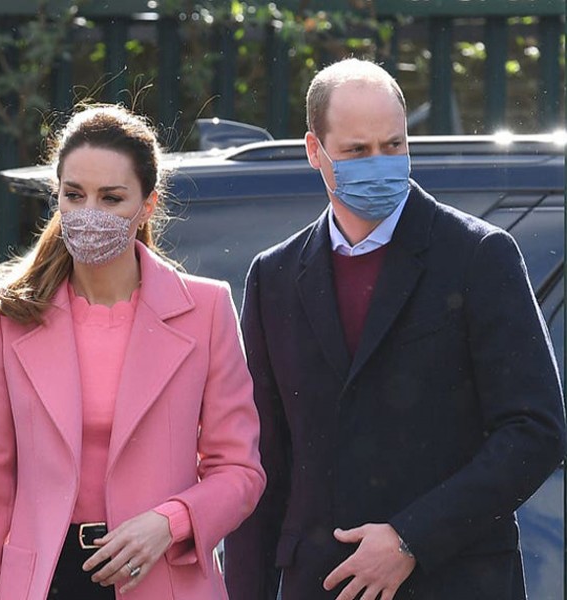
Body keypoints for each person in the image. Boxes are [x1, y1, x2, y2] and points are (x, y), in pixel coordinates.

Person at [224, 58, 567, 600]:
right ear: (316, 151)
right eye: (358, 151)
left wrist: (412, 538)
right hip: (319, 584)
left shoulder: (478, 256)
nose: (379, 164)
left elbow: (535, 432)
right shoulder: (275, 276)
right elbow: (261, 457)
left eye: (394, 145)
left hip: (454, 581)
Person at [0, 104, 265, 599]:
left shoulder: (206, 309)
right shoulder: (11, 311)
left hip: (161, 575)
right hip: (43, 582)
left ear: (148, 205)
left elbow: (240, 472)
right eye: (74, 195)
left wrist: (171, 521)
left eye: (111, 198)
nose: (89, 213)